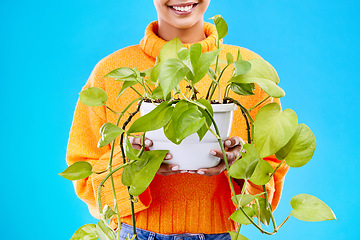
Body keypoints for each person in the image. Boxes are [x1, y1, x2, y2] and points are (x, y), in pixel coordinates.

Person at [66, 0, 289, 239]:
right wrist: (130, 162)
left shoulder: (248, 71)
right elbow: (85, 180)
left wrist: (243, 165)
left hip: (221, 233)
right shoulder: (111, 72)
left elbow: (266, 192)